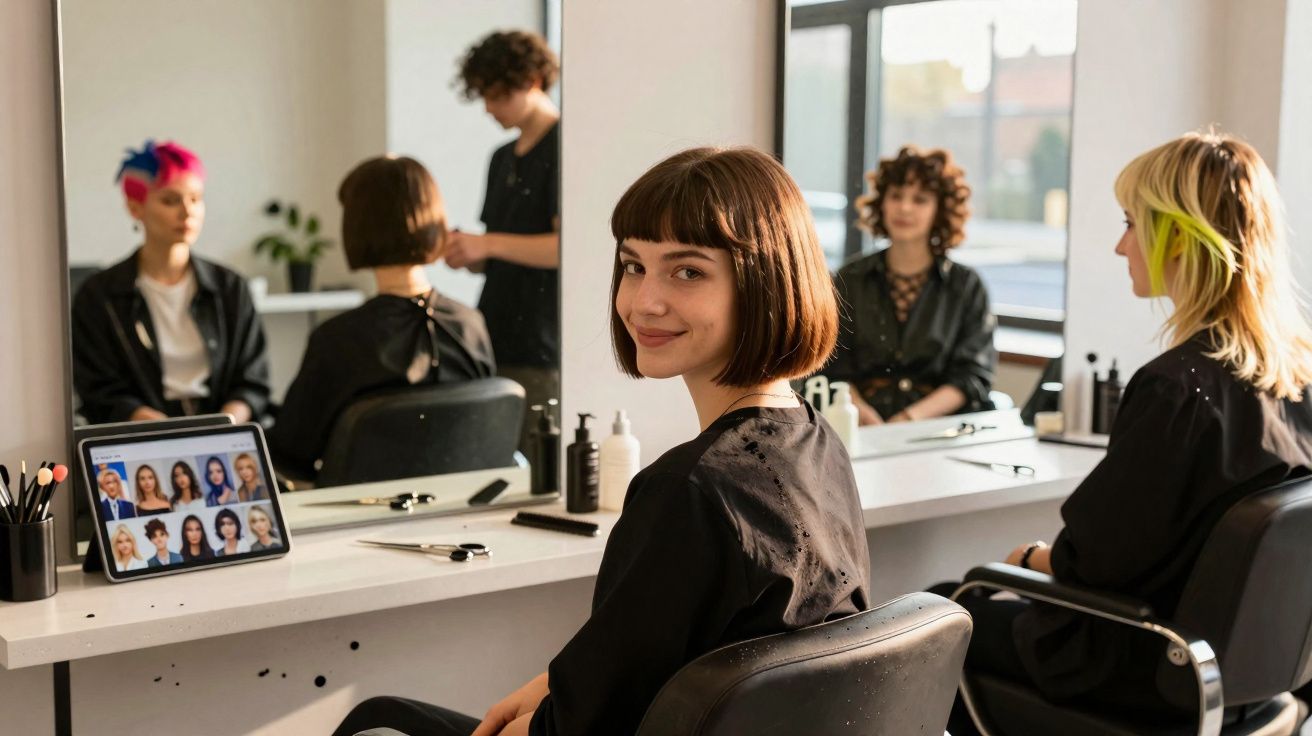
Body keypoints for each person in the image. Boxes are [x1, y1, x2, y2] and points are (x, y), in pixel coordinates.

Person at [332, 147, 871, 736]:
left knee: (376, 721)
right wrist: (553, 685)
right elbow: (672, 652)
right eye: (634, 265)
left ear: (764, 283)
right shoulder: (818, 443)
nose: (645, 300)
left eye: (688, 271)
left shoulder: (689, 492)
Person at [937, 132, 1312, 734]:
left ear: (1181, 237)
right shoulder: (1294, 379)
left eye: (1132, 223)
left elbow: (1095, 565)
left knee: (944, 611)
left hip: (1145, 666)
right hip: (1247, 673)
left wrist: (1029, 557)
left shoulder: (1177, 390)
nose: (1121, 245)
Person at [268, 156, 495, 480]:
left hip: (357, 521)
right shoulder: (471, 324)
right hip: (457, 514)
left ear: (358, 227)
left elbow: (290, 454)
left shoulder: (339, 340)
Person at [70, 139, 270, 425]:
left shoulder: (230, 288)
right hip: (140, 439)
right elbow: (97, 389)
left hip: (225, 433)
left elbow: (252, 381)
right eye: (170, 200)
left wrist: (225, 426)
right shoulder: (100, 296)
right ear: (136, 208)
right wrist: (155, 426)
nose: (187, 212)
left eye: (195, 198)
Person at [824, 145, 996, 424]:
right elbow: (829, 366)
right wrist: (861, 415)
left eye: (920, 199)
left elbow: (971, 377)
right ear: (882, 202)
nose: (904, 207)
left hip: (936, 431)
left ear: (940, 209)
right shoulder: (848, 280)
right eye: (896, 196)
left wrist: (907, 419)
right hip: (856, 426)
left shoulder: (966, 287)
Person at [445, 30, 561, 425]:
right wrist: (469, 253)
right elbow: (495, 253)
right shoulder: (501, 158)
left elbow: (566, 248)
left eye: (496, 96)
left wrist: (488, 244)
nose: (489, 109)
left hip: (541, 345)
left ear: (531, 81)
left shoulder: (564, 146)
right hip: (493, 338)